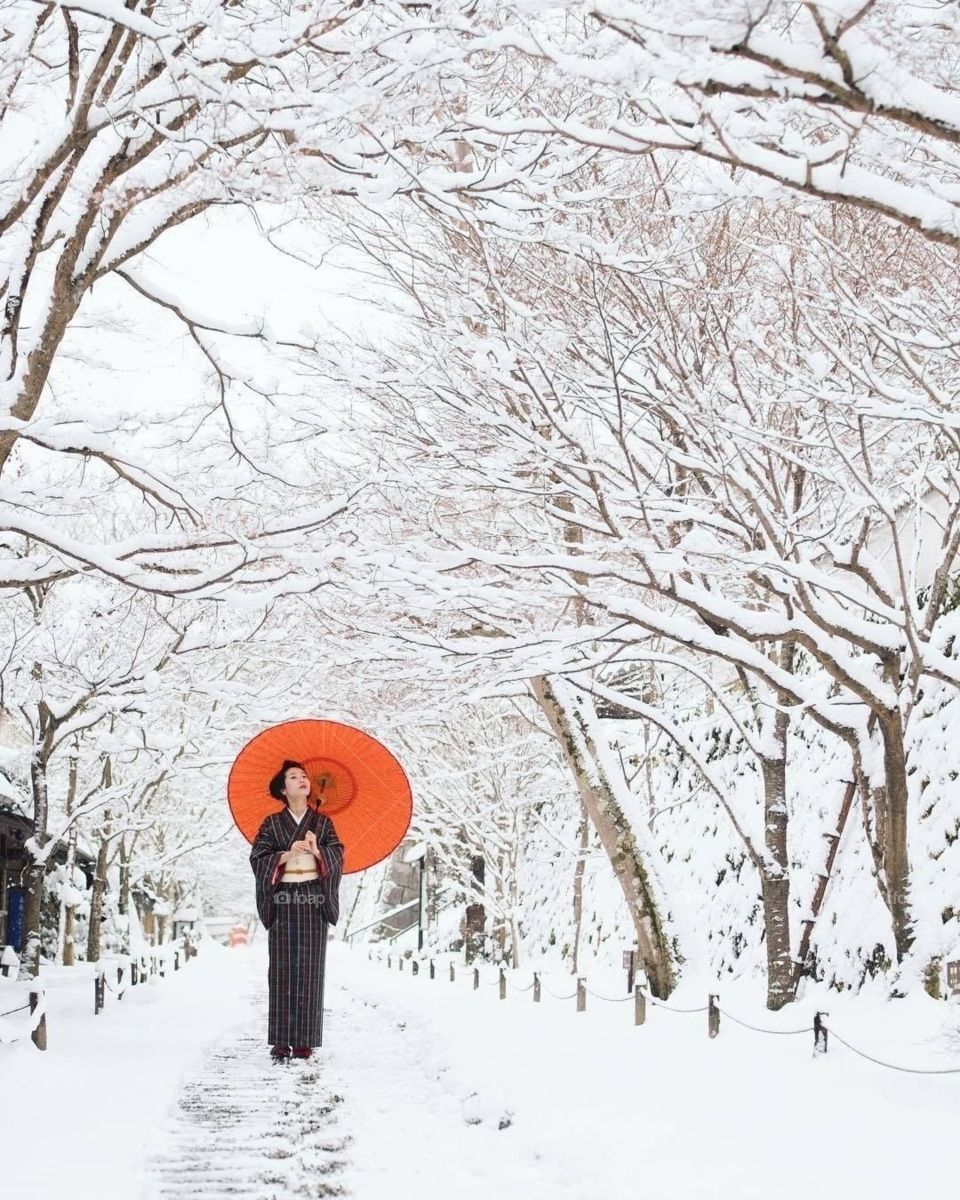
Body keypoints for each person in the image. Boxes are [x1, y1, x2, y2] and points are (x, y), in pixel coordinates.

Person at [249, 759, 345, 1061]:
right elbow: (258, 857)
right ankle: (281, 1039)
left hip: (313, 898)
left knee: (311, 969)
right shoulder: (271, 823)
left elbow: (338, 855)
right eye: (294, 777)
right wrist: (288, 853)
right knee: (281, 969)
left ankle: (304, 1039)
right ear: (283, 788)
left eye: (304, 776)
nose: (302, 780)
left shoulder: (323, 823)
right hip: (283, 897)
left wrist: (318, 850)